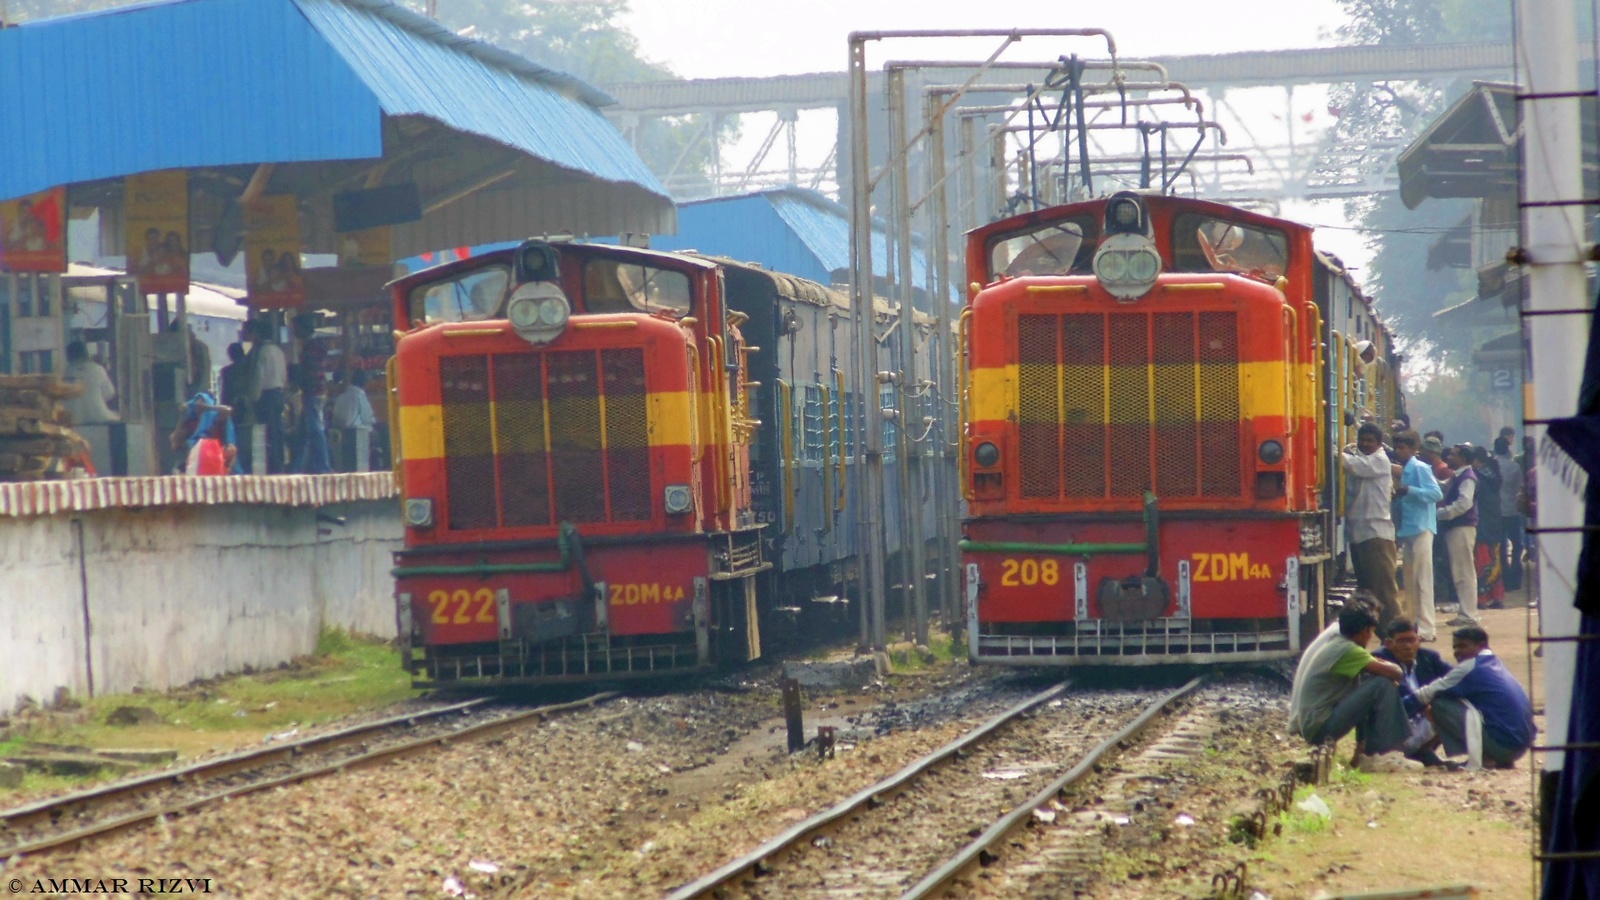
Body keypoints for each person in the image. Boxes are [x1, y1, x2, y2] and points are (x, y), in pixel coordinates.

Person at [1288, 607, 1414, 769]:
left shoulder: (1338, 642)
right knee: (1382, 684)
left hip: (1315, 723)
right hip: (1320, 727)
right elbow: (1396, 673)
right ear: (1365, 631)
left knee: (1372, 681)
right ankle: (1387, 752)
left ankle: (1369, 751)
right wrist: (1383, 663)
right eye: (1371, 632)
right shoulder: (1348, 650)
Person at [1412, 626, 1536, 769]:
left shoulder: (1471, 666)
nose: (1457, 652)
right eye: (1455, 647)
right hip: (1520, 748)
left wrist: (1399, 708)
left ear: (1480, 645)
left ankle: (1487, 757)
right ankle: (1493, 756)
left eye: (1463, 646)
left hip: (1503, 748)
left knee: (1439, 704)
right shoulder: (1494, 663)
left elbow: (1427, 693)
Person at [1342, 423, 1402, 625]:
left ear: (1379, 444)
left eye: (1370, 441)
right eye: (1362, 440)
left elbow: (1352, 466)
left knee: (1383, 592)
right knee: (1369, 592)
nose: (1365, 444)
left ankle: (1397, 635)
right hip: (1362, 535)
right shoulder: (1365, 459)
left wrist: (1332, 451)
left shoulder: (1379, 461)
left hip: (1376, 537)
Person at [1374, 617, 1453, 764]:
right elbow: (1402, 697)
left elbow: (1454, 678)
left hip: (1423, 724)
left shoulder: (1429, 658)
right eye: (1402, 641)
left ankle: (1424, 753)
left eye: (1412, 640)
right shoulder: (1380, 659)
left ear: (1419, 640)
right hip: (1394, 728)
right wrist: (1425, 706)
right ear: (1388, 643)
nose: (1408, 646)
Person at [1394, 431, 1444, 641]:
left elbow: (1436, 494)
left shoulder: (1421, 468)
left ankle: (1427, 628)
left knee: (1423, 579)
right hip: (1409, 529)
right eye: (1396, 448)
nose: (1399, 451)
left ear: (1413, 450)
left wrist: (1410, 490)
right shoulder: (1404, 469)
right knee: (1410, 581)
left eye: (1403, 448)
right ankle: (1415, 625)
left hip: (1423, 528)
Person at [1437, 443, 1481, 627]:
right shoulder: (1458, 476)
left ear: (1463, 458)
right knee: (1461, 570)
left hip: (1461, 527)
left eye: (1453, 455)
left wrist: (1441, 513)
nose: (1449, 457)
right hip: (1457, 528)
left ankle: (1468, 614)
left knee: (1464, 571)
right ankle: (1466, 612)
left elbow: (1464, 504)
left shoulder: (1467, 478)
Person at [246, 319, 288, 473]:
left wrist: (254, 397)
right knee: (278, 430)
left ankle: (272, 465)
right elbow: (284, 375)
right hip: (279, 393)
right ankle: (280, 463)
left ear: (258, 334)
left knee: (267, 432)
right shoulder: (278, 351)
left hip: (266, 396)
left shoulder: (261, 352)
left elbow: (258, 376)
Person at [1421, 435, 1457, 609]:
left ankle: (1449, 597)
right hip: (1436, 518)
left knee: (1442, 559)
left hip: (1440, 519)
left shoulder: (1441, 469)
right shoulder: (1434, 468)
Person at [1471, 446, 1506, 610]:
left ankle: (1482, 598)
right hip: (1496, 524)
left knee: (1481, 561)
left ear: (1477, 461)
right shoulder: (1494, 476)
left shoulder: (1476, 476)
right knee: (1496, 560)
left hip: (1482, 525)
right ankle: (1497, 596)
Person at [1493, 435, 1526, 590]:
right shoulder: (1514, 466)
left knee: (1501, 546)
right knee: (1517, 545)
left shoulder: (1491, 465)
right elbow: (1519, 488)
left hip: (1497, 511)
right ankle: (1516, 577)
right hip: (1512, 510)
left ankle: (1504, 578)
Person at [61, 340, 120, 425]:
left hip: (74, 421)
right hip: (100, 418)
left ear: (68, 356)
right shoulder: (97, 369)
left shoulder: (65, 373)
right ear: (86, 353)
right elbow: (109, 394)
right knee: (118, 417)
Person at [292, 366, 332, 474]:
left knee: (316, 430)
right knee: (304, 433)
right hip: (314, 392)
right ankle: (297, 467)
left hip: (312, 392)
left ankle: (323, 467)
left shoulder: (312, 354)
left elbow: (309, 372)